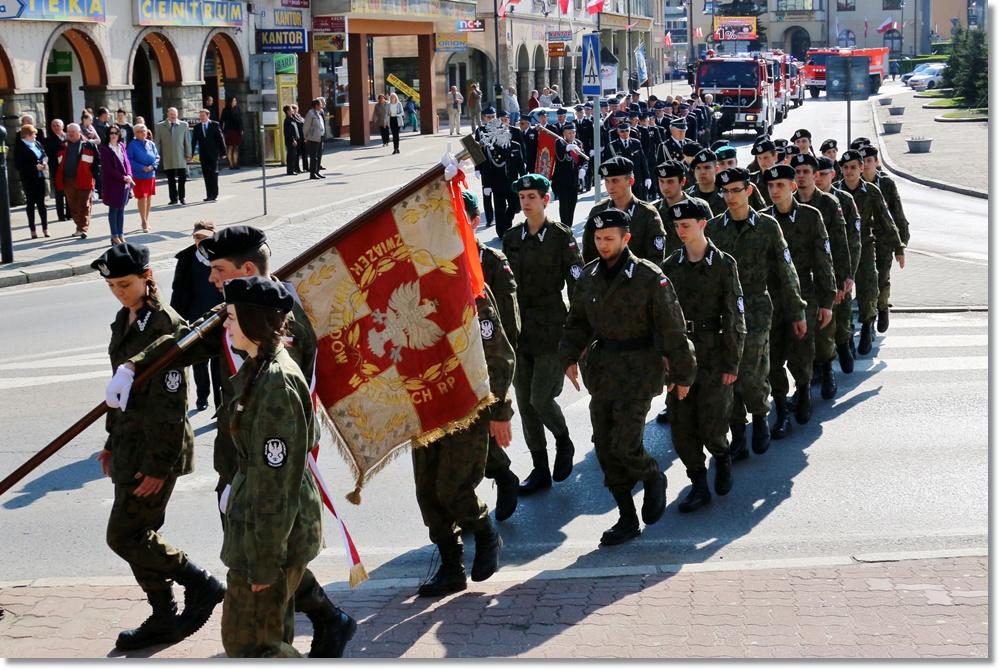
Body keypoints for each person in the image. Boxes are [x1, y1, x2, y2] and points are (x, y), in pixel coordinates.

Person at [107, 226, 356, 658]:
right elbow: (188, 342)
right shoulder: (239, 308)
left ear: (244, 268)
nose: (210, 279)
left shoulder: (276, 321)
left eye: (218, 270)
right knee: (255, 560)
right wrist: (134, 366)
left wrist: (245, 477)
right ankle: (323, 622)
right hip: (238, 462)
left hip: (264, 470)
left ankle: (296, 634)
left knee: (266, 565)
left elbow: (278, 421)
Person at [96, 242, 225, 652]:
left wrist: (157, 466)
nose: (119, 291)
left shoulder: (164, 324)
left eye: (125, 283)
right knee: (137, 534)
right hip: (130, 446)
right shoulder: (124, 320)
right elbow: (121, 393)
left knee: (124, 534)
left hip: (156, 450)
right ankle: (163, 612)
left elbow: (171, 407)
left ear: (148, 277)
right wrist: (110, 442)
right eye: (113, 285)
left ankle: (199, 583)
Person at [560, 208, 696, 546]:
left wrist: (683, 373)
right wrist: (568, 355)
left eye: (609, 238)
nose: (603, 244)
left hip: (639, 369)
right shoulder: (589, 276)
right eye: (598, 238)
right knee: (605, 448)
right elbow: (577, 322)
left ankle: (652, 477)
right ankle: (626, 516)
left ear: (626, 238)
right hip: (603, 370)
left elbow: (672, 328)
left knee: (625, 443)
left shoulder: (649, 277)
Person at [215, 276, 324, 658]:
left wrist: (263, 564)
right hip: (259, 532)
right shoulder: (261, 367)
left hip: (269, 541)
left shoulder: (275, 383)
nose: (225, 324)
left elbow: (276, 486)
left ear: (253, 320)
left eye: (230, 316)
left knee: (252, 646)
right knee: (267, 639)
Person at [413, 279, 512, 598]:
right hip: (424, 405)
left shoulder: (467, 285)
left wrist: (499, 411)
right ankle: (451, 567)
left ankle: (485, 531)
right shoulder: (403, 282)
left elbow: (498, 357)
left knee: (452, 487)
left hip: (466, 406)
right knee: (428, 491)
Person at [706, 167, 806, 460]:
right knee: (730, 375)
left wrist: (798, 310)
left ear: (748, 191)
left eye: (737, 190)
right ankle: (737, 431)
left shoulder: (767, 226)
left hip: (758, 308)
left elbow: (787, 271)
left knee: (753, 371)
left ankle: (760, 418)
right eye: (726, 191)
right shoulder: (713, 229)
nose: (731, 197)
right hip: (725, 313)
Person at [501, 174, 584, 495]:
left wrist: (577, 336)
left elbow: (577, 285)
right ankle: (540, 469)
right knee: (525, 404)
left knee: (540, 398)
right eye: (522, 197)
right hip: (519, 332)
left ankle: (563, 440)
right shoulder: (511, 238)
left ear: (546, 199)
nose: (526, 203)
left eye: (532, 197)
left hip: (552, 329)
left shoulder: (561, 237)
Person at [661, 200, 746, 512]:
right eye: (676, 226)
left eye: (686, 225)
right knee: (682, 426)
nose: (680, 231)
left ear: (702, 224)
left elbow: (735, 316)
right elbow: (662, 317)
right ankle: (698, 484)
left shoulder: (724, 264)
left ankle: (721, 457)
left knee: (712, 423)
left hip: (713, 350)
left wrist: (732, 361)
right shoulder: (670, 267)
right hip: (682, 354)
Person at [760, 164, 836, 437]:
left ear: (792, 187)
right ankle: (781, 410)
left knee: (802, 351)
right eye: (770, 186)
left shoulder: (810, 216)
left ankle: (803, 391)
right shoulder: (762, 221)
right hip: (771, 299)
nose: (774, 191)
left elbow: (823, 260)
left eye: (780, 185)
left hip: (804, 295)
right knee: (773, 357)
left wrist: (827, 301)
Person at [461, 191, 522, 521]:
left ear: (475, 221)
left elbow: (507, 326)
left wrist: (502, 384)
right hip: (457, 364)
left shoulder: (492, 262)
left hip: (488, 361)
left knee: (483, 433)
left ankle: (503, 476)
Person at [792, 153, 852, 400]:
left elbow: (840, 242)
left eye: (806, 171)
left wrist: (843, 278)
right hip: (800, 280)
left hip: (824, 277)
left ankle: (827, 369)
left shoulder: (828, 203)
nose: (802, 176)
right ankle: (804, 381)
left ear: (815, 174)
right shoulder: (788, 203)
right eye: (798, 172)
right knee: (801, 336)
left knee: (825, 330)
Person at [835, 150, 904, 356]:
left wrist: (899, 247)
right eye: (845, 168)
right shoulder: (835, 194)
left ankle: (867, 326)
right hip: (842, 251)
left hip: (865, 247)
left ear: (861, 168)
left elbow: (886, 219)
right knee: (842, 296)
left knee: (868, 290)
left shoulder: (872, 191)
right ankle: (845, 335)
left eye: (853, 167)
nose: (849, 172)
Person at [170, 221, 223, 412]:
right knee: (199, 364)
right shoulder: (186, 260)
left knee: (219, 366)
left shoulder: (223, 258)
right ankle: (202, 397)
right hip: (195, 318)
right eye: (197, 237)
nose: (201, 241)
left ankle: (220, 405)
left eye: (205, 238)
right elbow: (178, 291)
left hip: (220, 319)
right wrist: (176, 319)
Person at [815, 156, 861, 372]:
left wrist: (847, 276)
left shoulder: (843, 200)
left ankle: (844, 344)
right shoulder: (804, 201)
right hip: (815, 272)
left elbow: (852, 241)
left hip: (839, 267)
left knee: (842, 318)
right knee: (818, 324)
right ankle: (821, 369)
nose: (819, 179)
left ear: (833, 174)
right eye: (816, 174)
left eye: (823, 174)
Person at [859, 144, 910, 334]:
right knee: (867, 281)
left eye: (869, 161)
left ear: (876, 162)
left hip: (884, 239)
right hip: (863, 243)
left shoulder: (886, 184)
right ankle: (869, 317)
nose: (865, 165)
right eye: (862, 162)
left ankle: (882, 307)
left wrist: (900, 245)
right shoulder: (853, 184)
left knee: (882, 277)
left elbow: (897, 212)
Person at [584, 156, 667, 264]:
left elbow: (656, 258)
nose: (610, 187)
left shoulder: (647, 213)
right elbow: (588, 255)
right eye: (607, 181)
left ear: (631, 181)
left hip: (639, 278)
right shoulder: (598, 212)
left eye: (615, 181)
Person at [474, 109, 525, 238]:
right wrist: (479, 172)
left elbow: (520, 165)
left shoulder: (515, 145)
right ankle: (500, 230)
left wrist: (525, 180)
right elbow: (480, 157)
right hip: (496, 182)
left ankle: (506, 223)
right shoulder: (484, 136)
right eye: (489, 116)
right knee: (499, 208)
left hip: (512, 182)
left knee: (515, 206)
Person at [56, 123, 99, 239]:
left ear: (79, 132)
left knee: (84, 204)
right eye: (69, 132)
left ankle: (83, 228)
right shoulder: (62, 145)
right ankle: (79, 227)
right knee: (73, 205)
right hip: (68, 180)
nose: (70, 134)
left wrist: (94, 176)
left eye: (73, 132)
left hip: (85, 179)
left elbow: (97, 162)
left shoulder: (88, 145)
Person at [100, 124, 135, 245]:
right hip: (113, 183)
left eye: (116, 133)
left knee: (121, 209)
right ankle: (114, 236)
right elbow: (108, 169)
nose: (114, 135)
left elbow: (127, 163)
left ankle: (120, 234)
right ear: (108, 135)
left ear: (119, 134)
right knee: (113, 209)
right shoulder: (104, 148)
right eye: (111, 133)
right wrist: (123, 177)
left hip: (124, 183)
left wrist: (129, 175)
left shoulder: (122, 146)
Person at [13, 124, 49, 239]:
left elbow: (44, 155)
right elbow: (18, 165)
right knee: (31, 203)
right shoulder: (19, 147)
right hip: (29, 179)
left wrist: (44, 162)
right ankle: (33, 230)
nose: (35, 136)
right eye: (34, 134)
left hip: (40, 177)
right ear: (27, 135)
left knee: (41, 204)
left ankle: (45, 229)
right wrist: (34, 167)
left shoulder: (37, 144)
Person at [602, 120, 650, 201]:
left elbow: (643, 161)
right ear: (618, 132)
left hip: (637, 179)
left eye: (627, 130)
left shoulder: (636, 143)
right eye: (622, 131)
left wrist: (647, 177)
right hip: (621, 181)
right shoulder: (612, 146)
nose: (625, 133)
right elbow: (608, 166)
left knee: (640, 204)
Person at [551, 122, 586, 227]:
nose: (571, 135)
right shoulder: (559, 142)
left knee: (572, 205)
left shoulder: (578, 144)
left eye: (573, 133)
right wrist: (567, 149)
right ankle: (565, 227)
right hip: (561, 181)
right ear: (564, 133)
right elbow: (559, 157)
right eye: (569, 133)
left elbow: (584, 160)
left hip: (574, 181)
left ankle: (569, 226)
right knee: (564, 206)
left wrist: (583, 169)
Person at [155, 107, 192, 206]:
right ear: (167, 114)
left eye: (174, 114)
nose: (173, 116)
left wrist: (188, 154)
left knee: (182, 178)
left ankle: (182, 197)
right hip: (168, 156)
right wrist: (156, 156)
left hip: (181, 156)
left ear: (177, 114)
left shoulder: (184, 125)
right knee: (170, 179)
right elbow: (157, 143)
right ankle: (173, 198)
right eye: (171, 114)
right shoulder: (160, 126)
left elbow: (187, 141)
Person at [127, 124, 159, 233]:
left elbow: (157, 157)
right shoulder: (132, 144)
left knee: (149, 197)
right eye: (140, 131)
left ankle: (147, 219)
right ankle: (143, 221)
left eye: (144, 131)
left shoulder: (151, 144)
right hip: (139, 175)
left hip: (151, 175)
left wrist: (153, 166)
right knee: (142, 198)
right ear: (135, 133)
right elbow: (129, 160)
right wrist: (141, 167)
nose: (143, 133)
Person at [192, 109, 226, 202]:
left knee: (213, 173)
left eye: (203, 115)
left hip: (213, 154)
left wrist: (223, 152)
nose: (201, 117)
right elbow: (194, 141)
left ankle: (214, 194)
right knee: (206, 175)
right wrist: (190, 154)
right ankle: (209, 195)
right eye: (200, 116)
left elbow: (220, 139)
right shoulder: (197, 127)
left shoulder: (214, 125)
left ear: (208, 115)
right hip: (203, 154)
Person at [686, 149, 727, 216]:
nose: (702, 172)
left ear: (716, 169)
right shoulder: (687, 196)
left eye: (707, 167)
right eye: (698, 168)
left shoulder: (727, 193)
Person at [44, 118, 68, 223]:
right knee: (59, 193)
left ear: (62, 126)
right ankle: (61, 215)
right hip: (57, 169)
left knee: (69, 192)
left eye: (58, 125)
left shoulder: (69, 136)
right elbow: (50, 155)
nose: (56, 127)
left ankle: (70, 213)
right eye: (53, 125)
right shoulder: (49, 140)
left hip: (69, 168)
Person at [303, 98, 326, 179]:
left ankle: (317, 172)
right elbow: (306, 126)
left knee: (318, 156)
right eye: (320, 105)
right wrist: (305, 136)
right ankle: (312, 174)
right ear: (316, 106)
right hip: (313, 138)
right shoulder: (310, 114)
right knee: (314, 157)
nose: (322, 106)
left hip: (320, 137)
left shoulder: (319, 113)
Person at [220, 96, 243, 169]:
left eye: (235, 101)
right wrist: (222, 130)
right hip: (229, 131)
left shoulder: (238, 109)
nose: (235, 102)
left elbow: (241, 120)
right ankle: (231, 164)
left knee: (236, 147)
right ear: (230, 102)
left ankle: (235, 163)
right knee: (230, 147)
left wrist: (242, 129)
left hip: (237, 131)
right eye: (233, 101)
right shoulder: (225, 110)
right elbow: (221, 121)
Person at [282, 105, 302, 176]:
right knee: (291, 156)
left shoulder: (292, 118)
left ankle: (293, 169)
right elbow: (288, 132)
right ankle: (290, 171)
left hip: (295, 140)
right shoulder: (287, 120)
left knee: (294, 155)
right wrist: (293, 140)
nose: (293, 111)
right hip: (291, 141)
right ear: (287, 111)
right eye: (291, 109)